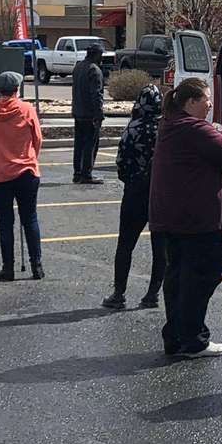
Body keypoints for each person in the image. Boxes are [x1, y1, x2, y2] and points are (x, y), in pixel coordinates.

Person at [149, 78, 222, 358]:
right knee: (203, 275)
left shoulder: (170, 124)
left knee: (178, 276)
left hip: (173, 216)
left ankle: (176, 335)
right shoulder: (193, 128)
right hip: (197, 218)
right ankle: (193, 339)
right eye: (206, 99)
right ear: (191, 102)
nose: (210, 104)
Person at [102, 83, 166, 310]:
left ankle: (119, 294)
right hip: (160, 194)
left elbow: (121, 162)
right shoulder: (165, 129)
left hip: (135, 191)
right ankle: (152, 294)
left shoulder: (133, 128)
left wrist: (130, 179)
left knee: (125, 244)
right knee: (160, 246)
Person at [0, 71, 44, 280]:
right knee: (30, 218)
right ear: (17, 89)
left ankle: (8, 267)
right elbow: (37, 139)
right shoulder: (27, 109)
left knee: (5, 222)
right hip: (26, 171)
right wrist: (31, 156)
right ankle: (37, 265)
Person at [71, 44, 105, 184]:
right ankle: (86, 174)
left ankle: (77, 173)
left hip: (78, 111)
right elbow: (96, 94)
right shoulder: (94, 70)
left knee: (79, 143)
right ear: (96, 54)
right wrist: (99, 114)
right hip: (89, 113)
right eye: (100, 55)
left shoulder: (78, 67)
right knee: (90, 144)